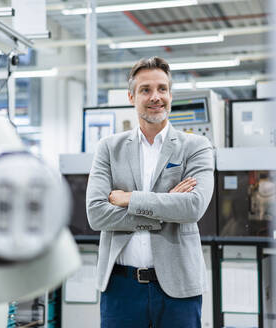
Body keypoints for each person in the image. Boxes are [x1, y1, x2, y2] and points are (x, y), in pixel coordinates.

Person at [86, 56, 215, 328]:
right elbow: (97, 214)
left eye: (162, 89)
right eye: (146, 90)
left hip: (178, 289)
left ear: (170, 94)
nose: (155, 97)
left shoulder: (196, 146)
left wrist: (129, 199)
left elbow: (193, 207)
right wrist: (165, 211)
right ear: (132, 96)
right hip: (120, 288)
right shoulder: (109, 148)